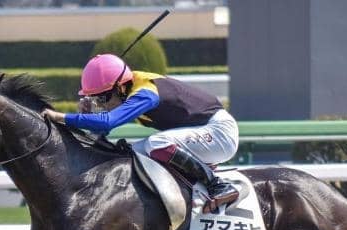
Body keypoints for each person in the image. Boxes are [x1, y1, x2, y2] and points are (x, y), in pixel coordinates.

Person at [42, 53, 239, 213]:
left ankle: (218, 186)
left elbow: (108, 121)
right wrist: (87, 116)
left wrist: (61, 117)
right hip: (201, 132)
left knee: (156, 144)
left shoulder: (145, 93)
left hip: (219, 133)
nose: (101, 105)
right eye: (96, 99)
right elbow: (103, 129)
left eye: (103, 98)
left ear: (120, 87)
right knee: (131, 153)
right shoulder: (127, 87)